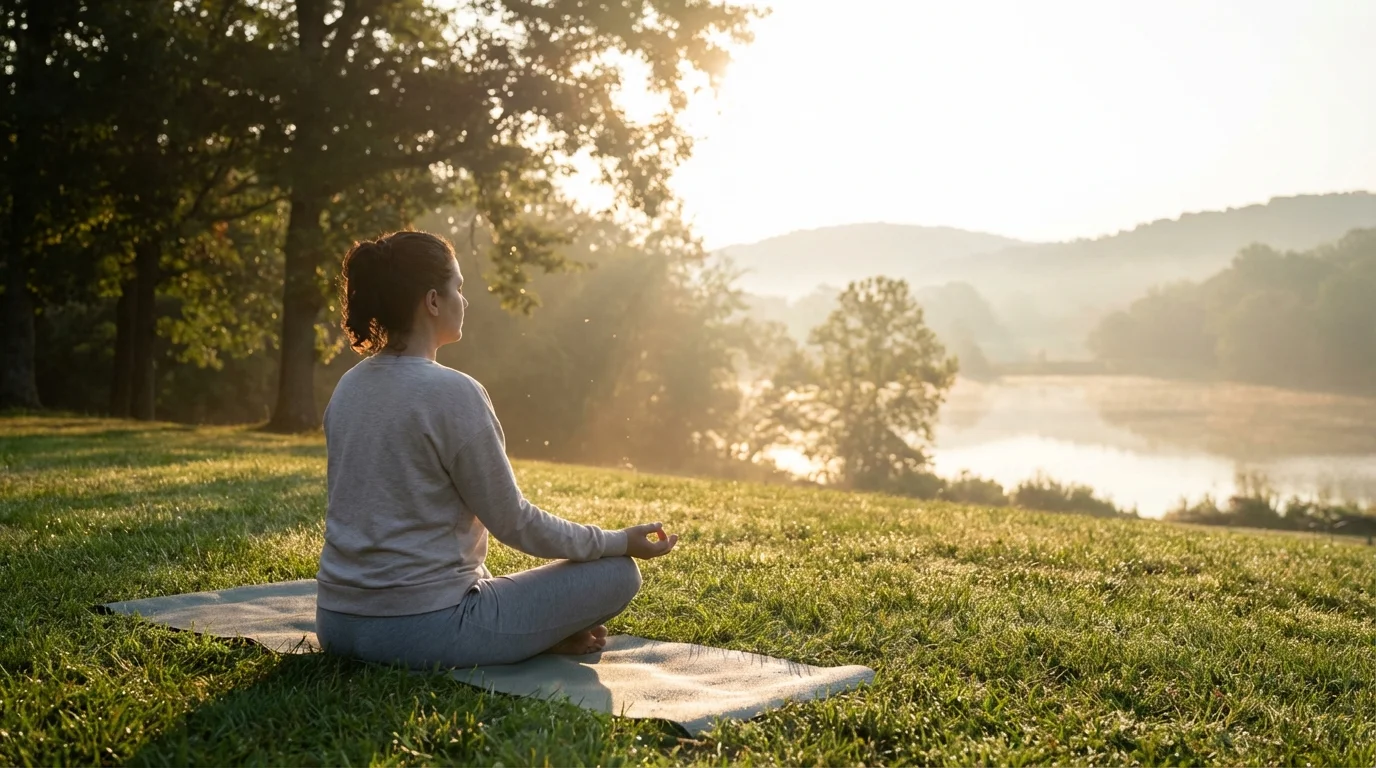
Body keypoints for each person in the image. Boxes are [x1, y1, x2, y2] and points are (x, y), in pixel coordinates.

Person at [314, 230, 678, 669]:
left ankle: (531, 635)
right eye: (459, 288)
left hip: (337, 623)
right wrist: (618, 541)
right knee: (618, 573)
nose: (464, 301)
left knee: (497, 587)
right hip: (422, 630)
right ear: (432, 300)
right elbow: (516, 523)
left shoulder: (349, 386)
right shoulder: (453, 392)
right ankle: (531, 636)